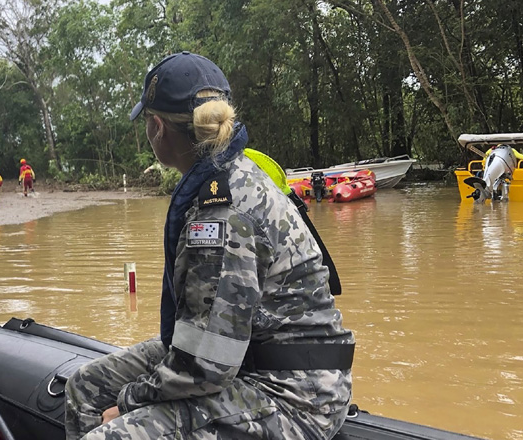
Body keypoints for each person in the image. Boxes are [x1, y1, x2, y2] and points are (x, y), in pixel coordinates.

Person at [64, 52, 354, 440]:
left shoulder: (220, 213)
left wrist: (128, 403)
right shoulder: (226, 174)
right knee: (83, 387)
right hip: (246, 357)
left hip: (296, 393)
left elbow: (206, 366)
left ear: (157, 127)